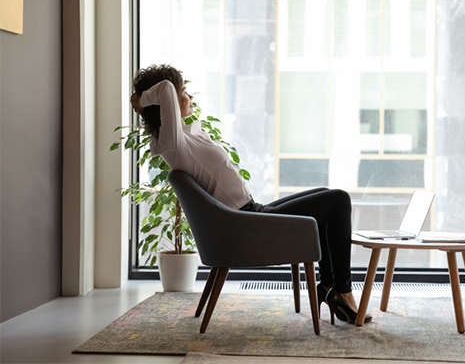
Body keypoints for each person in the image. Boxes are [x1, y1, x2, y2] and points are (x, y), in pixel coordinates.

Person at [130, 64, 371, 325]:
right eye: (185, 91)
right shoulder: (173, 143)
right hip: (245, 223)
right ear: (169, 104)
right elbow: (165, 88)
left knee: (326, 196)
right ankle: (342, 291)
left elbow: (168, 92)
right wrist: (140, 100)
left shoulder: (182, 139)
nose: (191, 97)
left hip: (250, 213)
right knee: (339, 200)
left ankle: (327, 287)